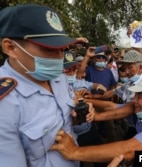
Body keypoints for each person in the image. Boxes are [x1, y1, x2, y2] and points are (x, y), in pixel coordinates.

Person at [0, 4, 92, 167]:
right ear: (11, 47)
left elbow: (71, 128)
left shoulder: (58, 77)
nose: (59, 57)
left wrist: (80, 117)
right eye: (49, 49)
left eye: (62, 48)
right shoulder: (5, 102)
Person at [50, 77, 142, 163]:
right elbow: (112, 107)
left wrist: (74, 151)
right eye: (135, 95)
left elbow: (129, 147)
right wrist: (85, 102)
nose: (134, 100)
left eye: (140, 96)